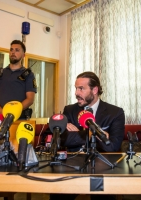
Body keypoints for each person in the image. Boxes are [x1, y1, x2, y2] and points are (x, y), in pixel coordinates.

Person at [50, 71, 125, 200]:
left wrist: (78, 135)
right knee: (57, 194)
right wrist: (90, 133)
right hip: (72, 167)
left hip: (102, 168)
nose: (76, 93)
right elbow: (63, 139)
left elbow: (112, 146)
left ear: (94, 90)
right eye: (76, 88)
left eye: (81, 89)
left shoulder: (115, 113)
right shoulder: (69, 110)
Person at [0, 40, 37, 119]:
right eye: (11, 50)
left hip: (19, 118)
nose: (13, 52)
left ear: (23, 55)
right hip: (0, 118)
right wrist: (2, 111)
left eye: (17, 50)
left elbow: (30, 99)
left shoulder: (29, 75)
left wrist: (14, 111)